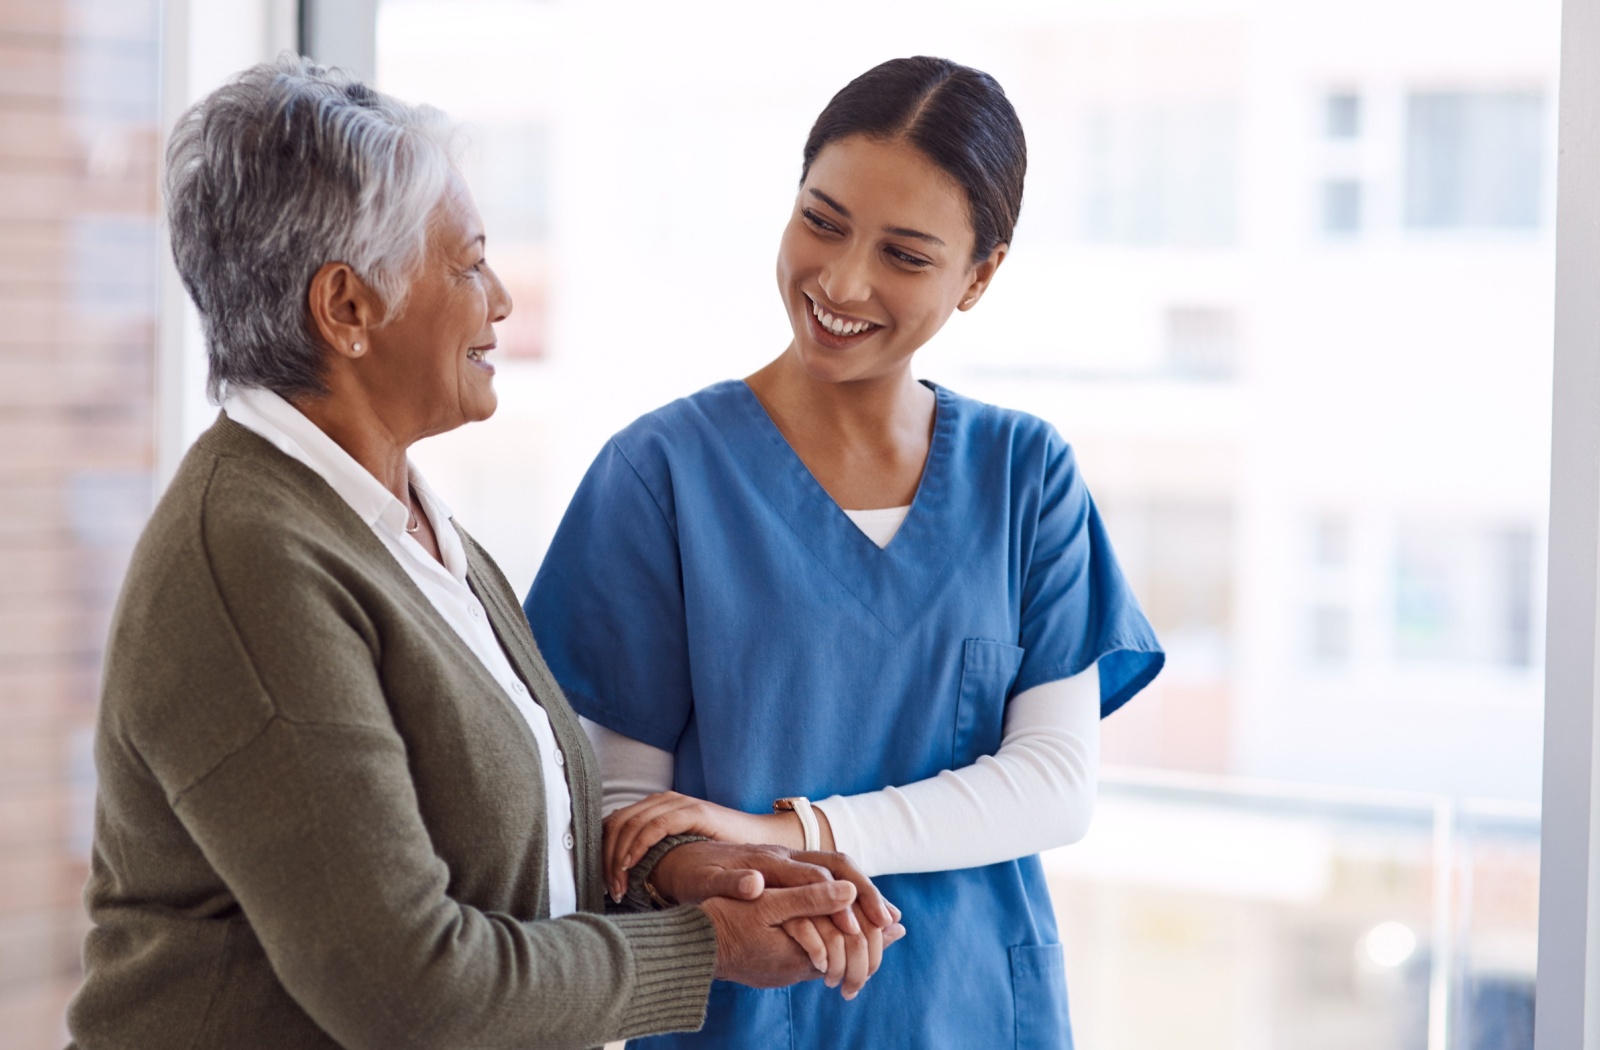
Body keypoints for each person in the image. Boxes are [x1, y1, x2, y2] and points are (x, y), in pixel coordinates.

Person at [66, 56, 903, 1050]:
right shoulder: (251, 560)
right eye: (467, 266)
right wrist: (701, 947)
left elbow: (474, 837)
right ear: (346, 309)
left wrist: (670, 868)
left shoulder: (397, 520)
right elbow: (409, 989)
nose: (501, 300)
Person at [524, 56, 1166, 1048]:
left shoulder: (1023, 476)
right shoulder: (659, 475)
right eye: (821, 221)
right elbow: (625, 811)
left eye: (906, 255)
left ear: (978, 276)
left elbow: (1052, 784)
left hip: (973, 1011)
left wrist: (794, 832)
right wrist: (721, 863)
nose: (842, 280)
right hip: (744, 1012)